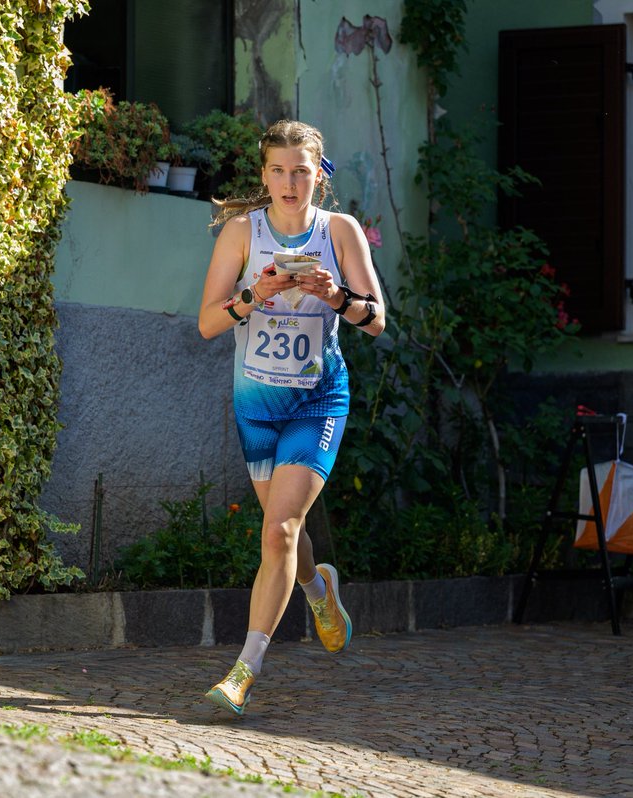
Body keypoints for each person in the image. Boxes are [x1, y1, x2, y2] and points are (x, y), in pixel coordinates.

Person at [198, 119, 385, 716]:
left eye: (300, 171)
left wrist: (335, 299)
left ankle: (243, 671)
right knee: (287, 534)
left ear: (317, 175)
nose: (288, 182)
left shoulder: (340, 231)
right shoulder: (240, 234)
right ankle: (317, 587)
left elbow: (376, 319)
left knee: (278, 530)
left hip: (316, 400)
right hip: (256, 406)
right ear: (264, 175)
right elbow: (207, 322)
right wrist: (258, 294)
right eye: (277, 170)